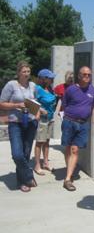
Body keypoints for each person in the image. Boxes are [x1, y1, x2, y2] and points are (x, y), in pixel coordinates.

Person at [0, 61, 39, 192]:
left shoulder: (33, 85)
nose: (26, 74)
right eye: (24, 72)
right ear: (18, 73)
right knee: (17, 154)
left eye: (28, 71)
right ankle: (28, 175)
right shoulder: (11, 85)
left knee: (26, 153)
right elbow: (2, 104)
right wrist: (17, 105)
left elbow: (36, 102)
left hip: (31, 123)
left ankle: (22, 182)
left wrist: (38, 113)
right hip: (15, 123)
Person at [61, 66, 94, 191]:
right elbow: (64, 105)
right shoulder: (71, 90)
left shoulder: (93, 90)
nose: (87, 76)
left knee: (75, 150)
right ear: (79, 76)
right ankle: (69, 171)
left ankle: (68, 178)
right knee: (68, 147)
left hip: (83, 124)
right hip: (69, 122)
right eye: (84, 74)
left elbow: (92, 106)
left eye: (89, 75)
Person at [33, 69, 57, 175]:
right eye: (50, 78)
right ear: (43, 79)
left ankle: (46, 162)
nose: (52, 79)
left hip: (50, 119)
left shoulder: (50, 89)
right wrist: (40, 110)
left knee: (47, 141)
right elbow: (32, 102)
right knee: (39, 142)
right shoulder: (37, 89)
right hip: (42, 119)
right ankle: (37, 165)